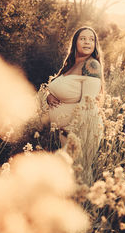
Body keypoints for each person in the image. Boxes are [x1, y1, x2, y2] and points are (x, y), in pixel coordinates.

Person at [38, 26, 104, 184]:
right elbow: (52, 88)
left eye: (91, 39)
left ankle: (85, 208)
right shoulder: (70, 65)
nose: (87, 42)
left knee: (79, 176)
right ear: (75, 42)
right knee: (67, 176)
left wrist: (72, 131)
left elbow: (87, 103)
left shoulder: (92, 65)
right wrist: (48, 96)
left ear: (95, 44)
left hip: (81, 129)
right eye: (83, 38)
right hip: (64, 131)